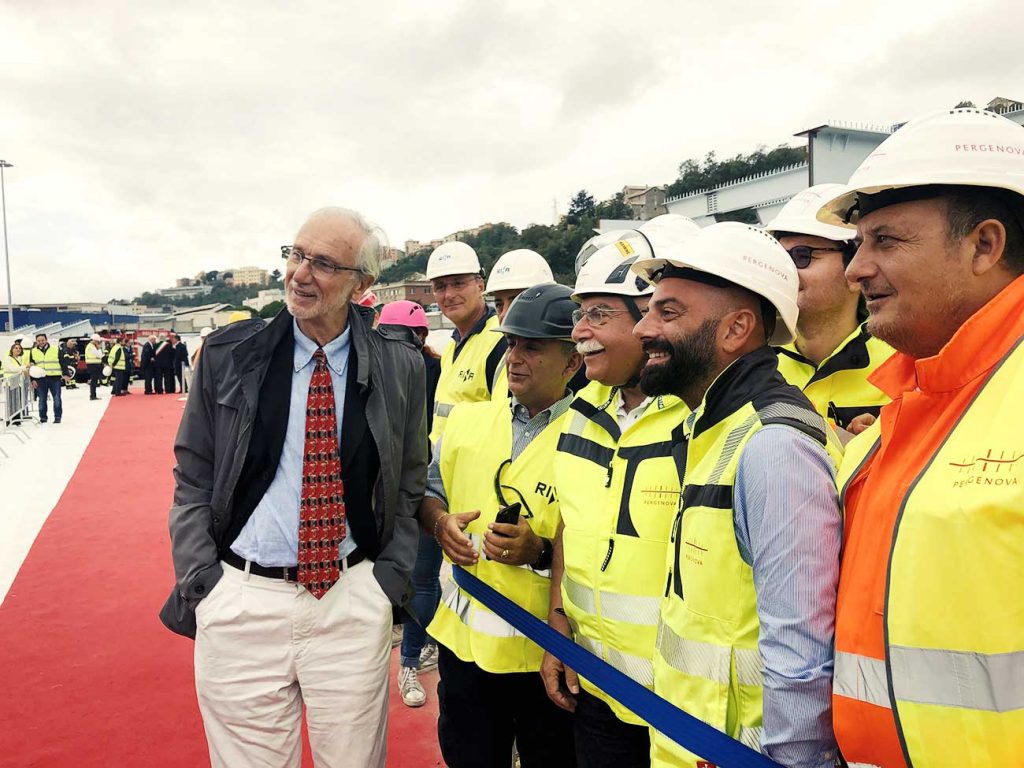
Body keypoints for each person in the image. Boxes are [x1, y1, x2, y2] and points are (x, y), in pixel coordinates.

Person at [159, 206, 427, 768]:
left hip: (351, 601)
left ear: (363, 285)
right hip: (242, 601)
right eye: (296, 255)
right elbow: (193, 474)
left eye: (324, 263)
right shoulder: (231, 353)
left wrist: (387, 582)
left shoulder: (401, 367)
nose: (301, 274)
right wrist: (204, 584)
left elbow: (407, 482)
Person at [815, 108, 1024, 765]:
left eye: (886, 241)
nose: (856, 269)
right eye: (856, 245)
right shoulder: (905, 406)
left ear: (983, 247)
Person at [630, 223, 841, 767]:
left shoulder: (774, 447)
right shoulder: (715, 426)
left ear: (736, 329)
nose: (643, 329)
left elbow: (802, 654)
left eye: (668, 313)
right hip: (692, 744)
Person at [541, 231, 690, 768]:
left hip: (680, 698)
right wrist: (558, 622)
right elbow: (569, 525)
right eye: (580, 314)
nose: (579, 332)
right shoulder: (582, 408)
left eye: (599, 315)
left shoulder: (699, 420)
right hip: (597, 682)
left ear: (652, 321)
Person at [419, 284, 582, 768]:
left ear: (572, 363)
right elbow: (429, 494)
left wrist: (537, 551)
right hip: (463, 650)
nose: (515, 357)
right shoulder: (467, 421)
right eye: (511, 343)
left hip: (546, 655)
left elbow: (598, 547)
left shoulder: (593, 437)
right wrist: (441, 523)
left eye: (533, 347)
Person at [764, 184, 894, 435]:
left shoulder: (902, 365)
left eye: (802, 256)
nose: (785, 272)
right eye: (780, 259)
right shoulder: (758, 368)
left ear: (855, 270)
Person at [378, 299, 444, 707]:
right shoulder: (427, 365)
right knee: (420, 577)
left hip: (421, 486)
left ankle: (410, 655)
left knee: (420, 576)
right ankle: (410, 655)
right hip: (416, 487)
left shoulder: (429, 369)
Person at [426, 241, 507, 445]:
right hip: (444, 468)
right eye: (440, 287)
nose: (449, 294)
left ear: (480, 285)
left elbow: (505, 426)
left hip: (476, 472)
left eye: (458, 283)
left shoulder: (501, 340)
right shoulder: (451, 346)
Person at [29, 333, 63, 423]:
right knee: (42, 399)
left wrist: (66, 374)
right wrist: (32, 380)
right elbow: (32, 367)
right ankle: (43, 418)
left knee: (57, 398)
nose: (41, 342)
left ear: (46, 340)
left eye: (42, 340)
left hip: (54, 378)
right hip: (40, 379)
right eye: (39, 341)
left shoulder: (55, 349)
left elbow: (63, 362)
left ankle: (57, 417)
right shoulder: (33, 351)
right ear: (36, 342)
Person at [3, 340, 26, 424]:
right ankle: (10, 419)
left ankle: (16, 417)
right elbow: (12, 369)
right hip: (10, 382)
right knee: (11, 401)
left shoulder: (19, 359)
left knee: (17, 401)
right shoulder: (8, 358)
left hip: (17, 382)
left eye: (19, 348)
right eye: (16, 348)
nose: (18, 349)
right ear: (11, 350)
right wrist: (24, 367)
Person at [84, 334, 104, 400]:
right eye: (98, 342)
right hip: (93, 365)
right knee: (94, 381)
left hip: (93, 365)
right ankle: (93, 395)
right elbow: (100, 355)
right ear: (95, 341)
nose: (98, 343)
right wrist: (99, 348)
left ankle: (93, 395)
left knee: (94, 381)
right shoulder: (91, 347)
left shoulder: (91, 346)